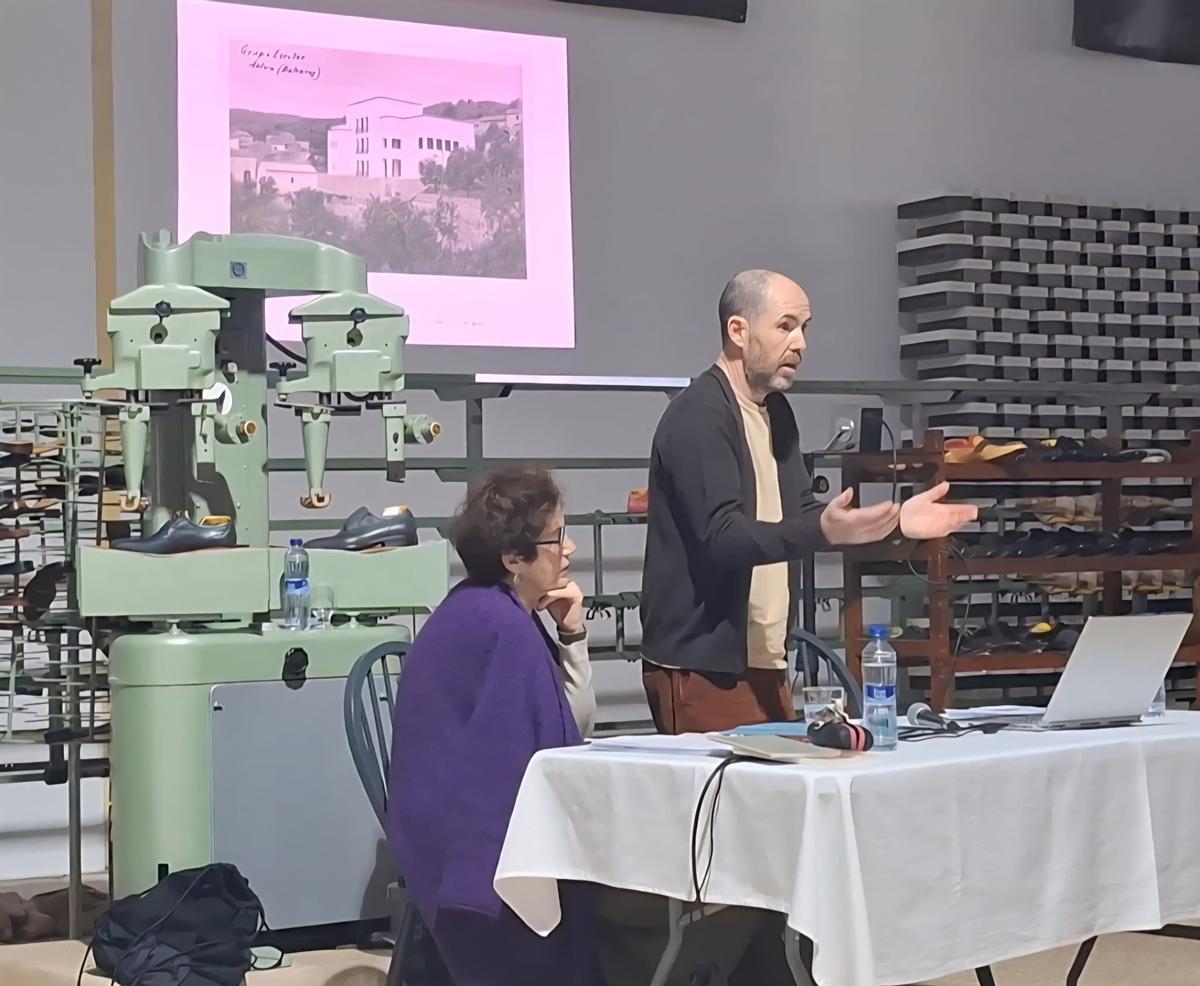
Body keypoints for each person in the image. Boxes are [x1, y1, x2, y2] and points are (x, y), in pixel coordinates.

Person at [641, 269, 977, 733]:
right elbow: (721, 537)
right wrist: (821, 529)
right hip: (704, 668)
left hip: (766, 664)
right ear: (739, 331)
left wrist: (896, 521)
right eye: (784, 326)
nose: (800, 343)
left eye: (805, 328)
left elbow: (803, 517)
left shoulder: (776, 411)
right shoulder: (699, 415)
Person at [386, 467, 600, 986]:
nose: (568, 550)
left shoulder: (478, 608)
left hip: (430, 844)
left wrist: (571, 635)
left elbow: (562, 725)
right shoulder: (504, 629)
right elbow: (554, 758)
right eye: (556, 538)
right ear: (513, 558)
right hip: (472, 870)